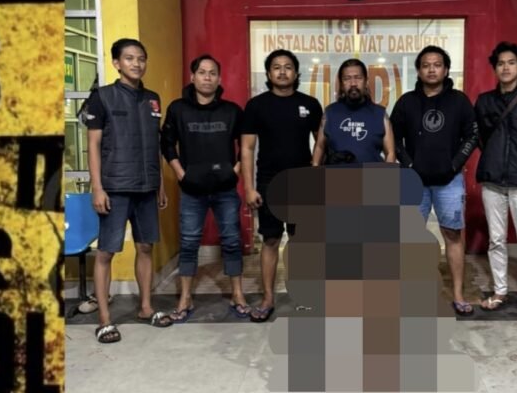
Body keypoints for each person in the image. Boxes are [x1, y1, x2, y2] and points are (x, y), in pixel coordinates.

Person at [81, 38, 173, 343]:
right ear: (116, 63)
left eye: (141, 58)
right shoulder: (102, 97)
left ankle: (146, 307)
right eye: (130, 58)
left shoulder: (153, 99)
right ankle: (104, 320)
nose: (137, 63)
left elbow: (155, 145)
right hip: (115, 187)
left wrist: (160, 184)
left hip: (147, 187)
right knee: (106, 251)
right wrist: (97, 188)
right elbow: (93, 144)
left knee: (146, 247)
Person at [391, 45, 478, 316]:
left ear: (446, 69)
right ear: (418, 70)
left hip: (449, 181)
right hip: (413, 182)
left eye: (437, 64)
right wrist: (409, 165)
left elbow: (472, 135)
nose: (431, 69)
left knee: (453, 235)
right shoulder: (406, 102)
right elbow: (393, 138)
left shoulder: (459, 101)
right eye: (426, 65)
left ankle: (458, 294)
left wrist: (454, 164)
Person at [160, 54, 247, 322]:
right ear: (193, 77)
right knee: (188, 243)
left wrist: (235, 170)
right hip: (192, 190)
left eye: (212, 73)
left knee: (232, 241)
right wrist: (181, 174)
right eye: (202, 72)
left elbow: (246, 145)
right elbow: (167, 143)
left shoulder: (232, 111)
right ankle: (185, 297)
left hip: (225, 190)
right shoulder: (178, 109)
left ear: (219, 78)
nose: (207, 77)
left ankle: (237, 294)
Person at [241, 49, 323, 322]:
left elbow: (321, 144)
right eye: (276, 67)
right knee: (271, 240)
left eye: (288, 67)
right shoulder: (256, 105)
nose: (282, 71)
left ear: (296, 72)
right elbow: (247, 148)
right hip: (269, 183)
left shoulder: (310, 104)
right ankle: (268, 298)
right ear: (269, 73)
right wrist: (249, 188)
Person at [475, 42, 517, 321]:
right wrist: (494, 158)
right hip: (492, 180)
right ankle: (500, 291)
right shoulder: (484, 101)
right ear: (495, 68)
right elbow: (480, 138)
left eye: (511, 62)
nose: (505, 67)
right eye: (501, 63)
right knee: (496, 241)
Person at [311, 58, 395, 165]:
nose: (353, 83)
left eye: (358, 78)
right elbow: (319, 147)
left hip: (372, 175)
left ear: (366, 81)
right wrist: (315, 172)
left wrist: (388, 175)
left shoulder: (380, 114)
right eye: (347, 79)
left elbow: (390, 153)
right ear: (341, 84)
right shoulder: (330, 113)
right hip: (335, 175)